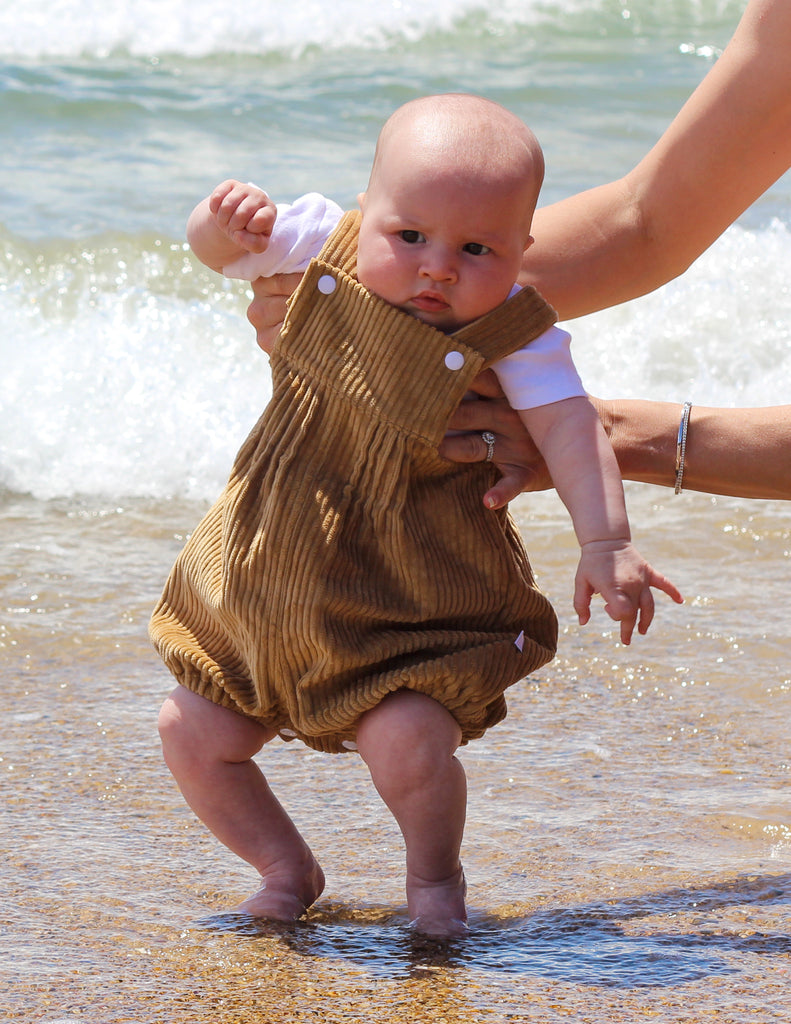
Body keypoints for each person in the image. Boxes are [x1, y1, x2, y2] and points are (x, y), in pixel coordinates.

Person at [151, 94, 681, 938]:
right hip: (267, 583)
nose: (438, 267)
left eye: (476, 249)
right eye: (409, 237)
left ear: (523, 250)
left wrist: (605, 540)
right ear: (366, 211)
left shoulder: (518, 334)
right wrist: (225, 224)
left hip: (405, 604)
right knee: (190, 728)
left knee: (409, 745)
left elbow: (571, 428)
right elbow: (216, 255)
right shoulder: (315, 242)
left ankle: (434, 883)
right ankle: (284, 868)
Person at [247, 0, 791, 503]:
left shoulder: (536, 351)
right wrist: (378, 299)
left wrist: (615, 437)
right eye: (410, 235)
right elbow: (647, 222)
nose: (436, 265)